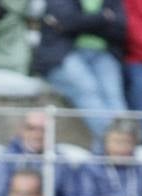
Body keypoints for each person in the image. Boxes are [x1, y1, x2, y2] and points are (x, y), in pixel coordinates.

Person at [32, 0, 126, 145]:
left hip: (103, 54)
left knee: (114, 97)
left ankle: (116, 148)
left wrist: (81, 22)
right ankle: (117, 146)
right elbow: (68, 21)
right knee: (88, 89)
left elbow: (120, 28)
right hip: (61, 55)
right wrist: (103, 18)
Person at [67, 118, 142, 196]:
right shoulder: (90, 168)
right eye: (116, 142)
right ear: (105, 142)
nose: (121, 148)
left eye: (127, 142)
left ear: (135, 144)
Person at [0, 110, 45, 196]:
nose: (38, 134)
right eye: (31, 128)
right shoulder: (3, 160)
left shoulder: (60, 159)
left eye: (43, 129)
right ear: (21, 129)